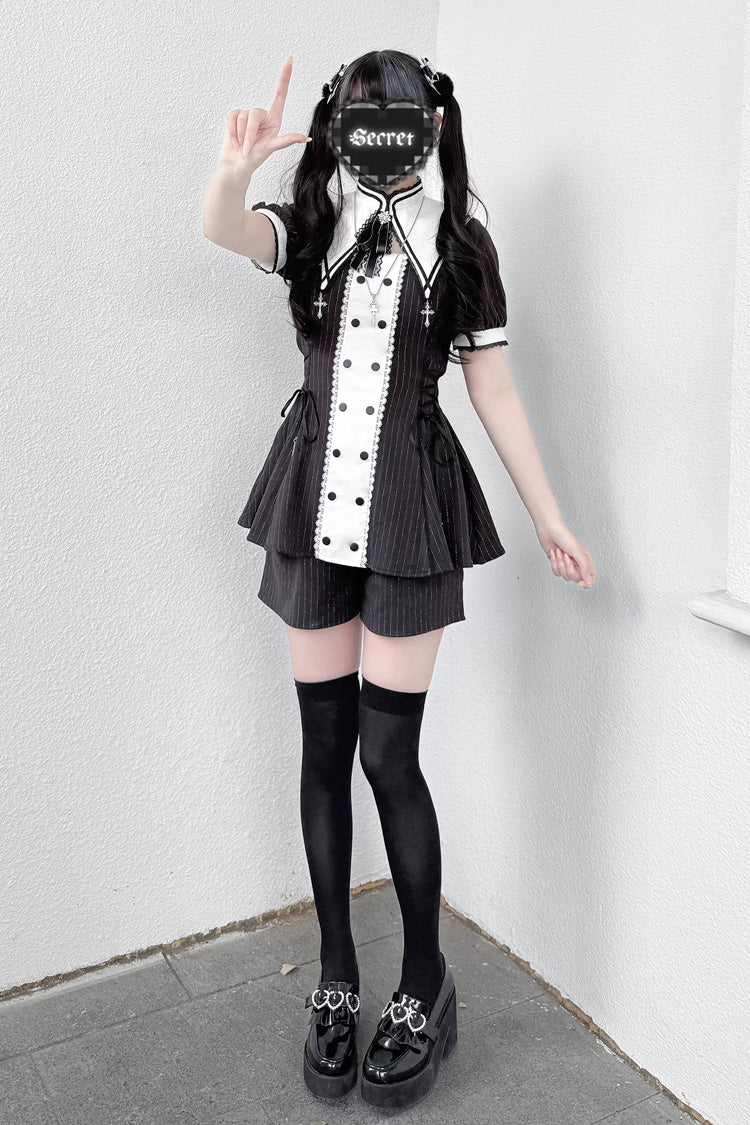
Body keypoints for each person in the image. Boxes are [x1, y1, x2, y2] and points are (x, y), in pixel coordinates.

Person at [203, 49, 597, 1110]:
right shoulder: (314, 220)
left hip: (410, 506)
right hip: (311, 498)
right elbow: (225, 230)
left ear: (432, 126)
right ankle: (337, 973)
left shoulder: (461, 240)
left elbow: (494, 386)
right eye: (364, 119)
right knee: (323, 747)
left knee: (388, 755)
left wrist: (550, 515)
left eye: (402, 118)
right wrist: (236, 169)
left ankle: (425, 981)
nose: (382, 136)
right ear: (342, 128)